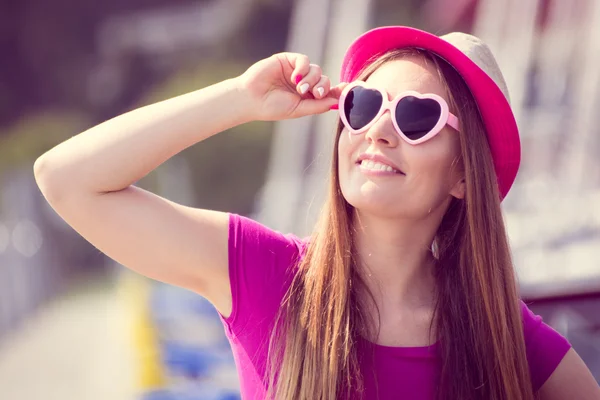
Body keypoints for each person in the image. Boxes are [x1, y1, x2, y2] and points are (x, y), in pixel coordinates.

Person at [34, 25, 599, 400]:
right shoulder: (263, 273)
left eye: (417, 116)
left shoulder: (500, 333)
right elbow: (66, 180)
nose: (378, 129)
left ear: (462, 175)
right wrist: (240, 99)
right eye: (364, 103)